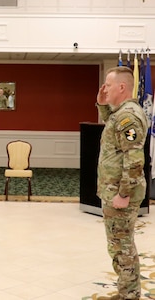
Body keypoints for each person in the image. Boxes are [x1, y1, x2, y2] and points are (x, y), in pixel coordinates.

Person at [96, 66, 147, 300]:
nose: (105, 88)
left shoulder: (128, 117)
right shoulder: (121, 114)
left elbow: (134, 159)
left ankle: (129, 295)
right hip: (114, 191)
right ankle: (127, 291)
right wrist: (102, 105)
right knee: (118, 246)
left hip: (120, 193)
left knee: (122, 248)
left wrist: (123, 194)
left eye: (108, 84)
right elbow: (114, 131)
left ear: (122, 87)